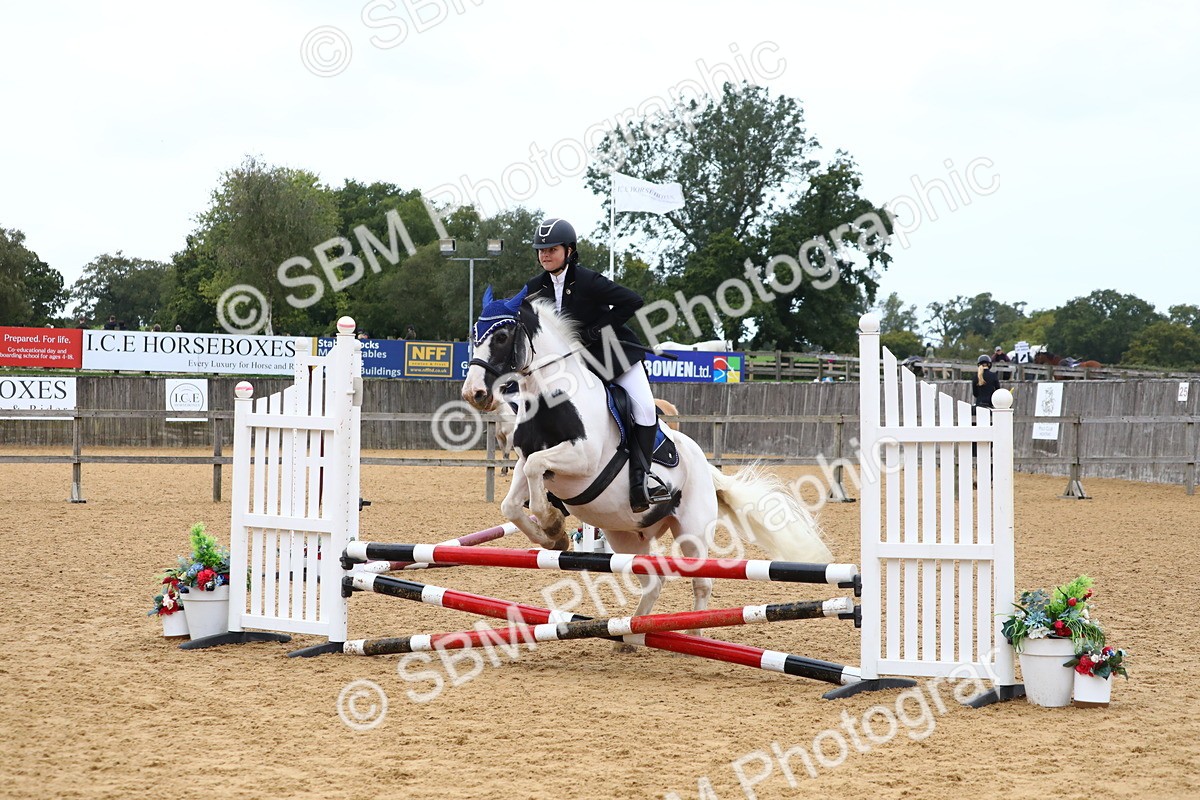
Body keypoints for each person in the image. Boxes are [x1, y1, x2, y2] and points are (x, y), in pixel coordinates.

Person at [523, 217, 669, 512]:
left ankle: (642, 478)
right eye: (541, 249)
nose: (545, 255)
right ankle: (554, 487)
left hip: (614, 357)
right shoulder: (535, 287)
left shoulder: (588, 280)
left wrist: (598, 328)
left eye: (551, 248)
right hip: (574, 368)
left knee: (642, 406)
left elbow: (633, 301)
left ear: (569, 250)